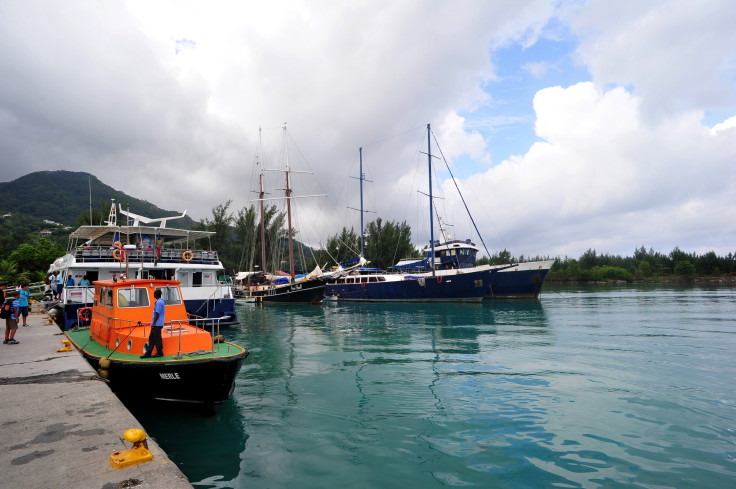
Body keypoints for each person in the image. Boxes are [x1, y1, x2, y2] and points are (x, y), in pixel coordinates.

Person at [141, 289, 165, 358]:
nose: (153, 295)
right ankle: (149, 352)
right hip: (157, 323)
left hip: (157, 323)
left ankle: (160, 352)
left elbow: (157, 313)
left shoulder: (159, 302)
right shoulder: (159, 302)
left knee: (157, 338)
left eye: (154, 294)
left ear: (156, 294)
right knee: (151, 337)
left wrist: (154, 322)